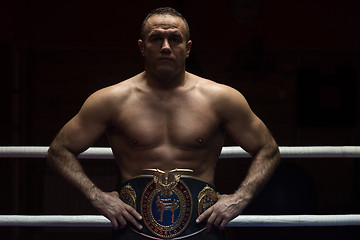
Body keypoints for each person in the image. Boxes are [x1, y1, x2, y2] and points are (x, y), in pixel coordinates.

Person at [47, 7, 280, 240]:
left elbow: (267, 149)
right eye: (156, 38)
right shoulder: (111, 100)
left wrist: (240, 199)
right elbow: (59, 150)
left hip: (202, 230)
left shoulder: (221, 99)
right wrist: (97, 197)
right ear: (142, 47)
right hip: (133, 230)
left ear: (188, 48)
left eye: (175, 39)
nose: (166, 47)